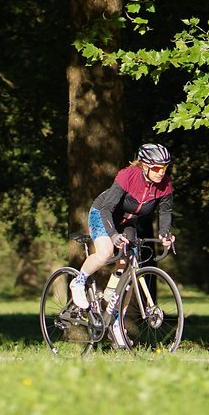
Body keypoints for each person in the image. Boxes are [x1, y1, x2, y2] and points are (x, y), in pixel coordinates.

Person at [69, 143, 176, 342]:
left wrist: (164, 234)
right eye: (156, 168)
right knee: (106, 252)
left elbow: (165, 211)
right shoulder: (128, 176)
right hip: (103, 214)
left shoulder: (165, 184)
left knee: (129, 266)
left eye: (164, 168)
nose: (161, 172)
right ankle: (79, 281)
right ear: (144, 165)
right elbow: (107, 208)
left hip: (127, 221)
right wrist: (112, 234)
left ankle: (116, 319)